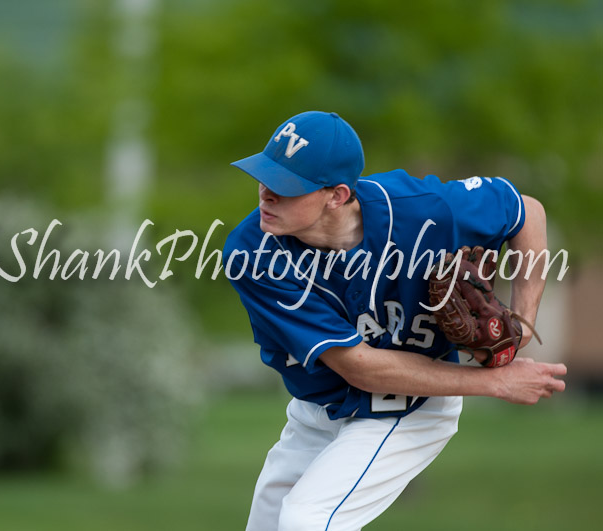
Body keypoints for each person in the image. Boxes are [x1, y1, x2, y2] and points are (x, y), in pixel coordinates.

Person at [223, 110, 567, 531]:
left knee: (306, 521)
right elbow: (359, 366)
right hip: (319, 408)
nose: (265, 194)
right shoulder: (254, 253)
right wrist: (496, 382)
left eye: (286, 187)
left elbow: (526, 212)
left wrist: (523, 324)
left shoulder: (421, 211)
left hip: (407, 407)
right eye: (265, 177)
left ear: (336, 195)